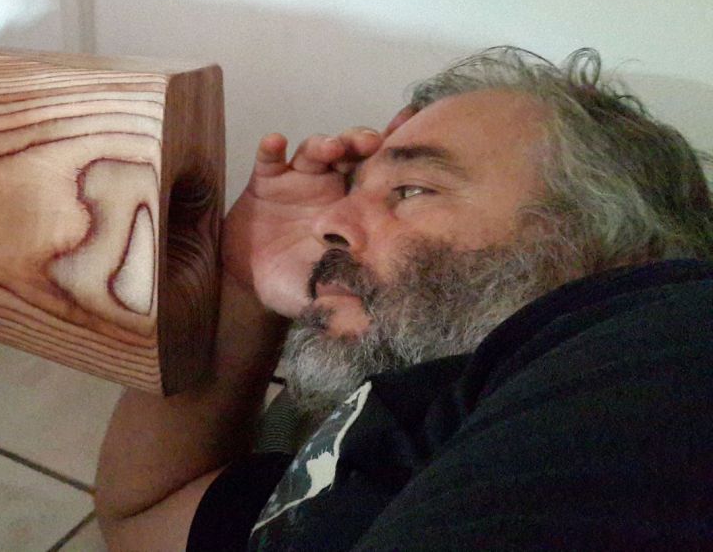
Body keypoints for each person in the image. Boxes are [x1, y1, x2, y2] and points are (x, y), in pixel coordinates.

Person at [94, 46, 713, 550]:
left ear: (609, 241)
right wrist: (241, 278)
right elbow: (142, 517)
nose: (328, 222)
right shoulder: (405, 439)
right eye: (354, 190)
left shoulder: (662, 343)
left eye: (412, 190)